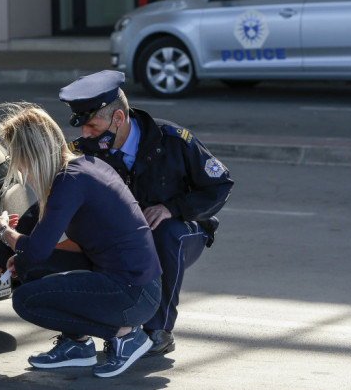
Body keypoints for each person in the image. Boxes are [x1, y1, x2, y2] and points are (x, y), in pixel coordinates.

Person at [0, 102, 163, 378]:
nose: (19, 169)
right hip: (138, 285)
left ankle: (125, 336)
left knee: (26, 301)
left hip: (134, 294)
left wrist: (4, 229)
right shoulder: (83, 167)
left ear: (32, 154)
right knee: (27, 265)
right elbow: (33, 227)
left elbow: (36, 249)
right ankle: (77, 346)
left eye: (19, 159)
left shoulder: (69, 182)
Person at [58, 70, 234, 357]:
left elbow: (220, 185)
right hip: (122, 237)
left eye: (92, 125)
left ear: (118, 119)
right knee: (79, 240)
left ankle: (158, 330)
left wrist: (172, 208)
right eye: (82, 127)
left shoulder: (174, 140)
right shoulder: (83, 151)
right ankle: (79, 332)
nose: (85, 134)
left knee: (165, 232)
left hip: (181, 232)